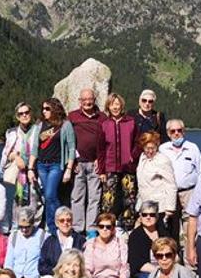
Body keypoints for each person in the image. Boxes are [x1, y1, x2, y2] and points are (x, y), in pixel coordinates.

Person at [28, 97, 76, 234]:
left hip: (56, 165)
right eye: (43, 109)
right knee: (49, 197)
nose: (44, 111)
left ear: (55, 109)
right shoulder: (39, 125)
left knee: (50, 195)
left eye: (47, 109)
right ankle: (53, 227)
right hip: (42, 166)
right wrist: (31, 168)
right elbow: (35, 148)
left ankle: (55, 226)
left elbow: (72, 148)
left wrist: (68, 169)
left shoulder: (65, 125)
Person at [159, 118, 201, 247]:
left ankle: (190, 259)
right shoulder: (163, 149)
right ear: (168, 133)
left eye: (179, 130)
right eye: (173, 131)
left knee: (190, 225)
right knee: (171, 227)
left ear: (184, 132)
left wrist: (200, 194)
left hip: (189, 192)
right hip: (169, 193)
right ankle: (173, 259)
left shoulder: (192, 148)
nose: (176, 133)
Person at [32, 207, 87, 278]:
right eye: (62, 220)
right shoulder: (49, 241)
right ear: (57, 223)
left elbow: (84, 263)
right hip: (54, 277)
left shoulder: (80, 240)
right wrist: (58, 272)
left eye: (68, 220)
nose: (65, 223)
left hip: (74, 277)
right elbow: (42, 266)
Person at [97, 93, 140, 230]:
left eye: (117, 104)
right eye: (112, 104)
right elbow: (101, 149)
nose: (115, 107)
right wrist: (102, 170)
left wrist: (132, 156)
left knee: (129, 197)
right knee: (108, 199)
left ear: (121, 105)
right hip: (110, 166)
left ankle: (128, 226)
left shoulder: (131, 122)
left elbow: (137, 143)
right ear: (108, 107)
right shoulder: (104, 124)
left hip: (128, 167)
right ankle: (106, 225)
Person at [68, 89, 104, 234]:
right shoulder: (72, 116)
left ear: (94, 100)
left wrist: (100, 159)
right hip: (78, 164)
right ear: (80, 101)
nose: (88, 102)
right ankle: (77, 229)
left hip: (95, 163)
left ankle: (91, 230)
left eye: (90, 99)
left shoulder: (102, 117)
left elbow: (106, 141)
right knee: (77, 197)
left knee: (95, 198)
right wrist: (71, 161)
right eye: (84, 99)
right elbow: (66, 140)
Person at [0, 102, 41, 227]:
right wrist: (16, 157)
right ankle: (17, 226)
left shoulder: (38, 129)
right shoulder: (12, 132)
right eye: (21, 114)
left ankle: (35, 226)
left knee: (36, 198)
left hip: (35, 170)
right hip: (20, 172)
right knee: (19, 198)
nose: (24, 115)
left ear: (31, 113)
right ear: (17, 116)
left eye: (27, 112)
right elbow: (7, 153)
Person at [136, 131, 178, 240]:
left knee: (163, 237)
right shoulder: (142, 158)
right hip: (145, 205)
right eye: (147, 148)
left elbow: (171, 185)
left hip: (161, 207)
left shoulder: (163, 160)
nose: (150, 151)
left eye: (153, 148)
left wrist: (170, 208)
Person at [126, 201, 162, 278]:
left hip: (163, 271)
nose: (148, 217)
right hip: (140, 276)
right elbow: (137, 263)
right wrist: (159, 271)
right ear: (140, 217)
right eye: (145, 214)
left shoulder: (163, 232)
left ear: (157, 217)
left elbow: (175, 254)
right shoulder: (136, 236)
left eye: (152, 215)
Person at [4, 207, 45, 278]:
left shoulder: (42, 236)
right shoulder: (14, 236)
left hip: (33, 276)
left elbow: (44, 263)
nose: (24, 230)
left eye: (27, 227)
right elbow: (9, 260)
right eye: (21, 227)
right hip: (15, 275)